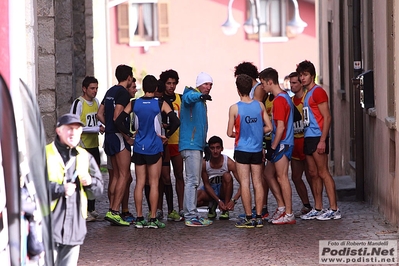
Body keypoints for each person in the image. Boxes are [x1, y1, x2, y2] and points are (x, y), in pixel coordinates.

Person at [115, 75, 180, 229]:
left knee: (139, 183)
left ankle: (139, 217)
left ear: (143, 87)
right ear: (156, 88)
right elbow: (176, 121)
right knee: (154, 183)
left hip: (138, 147)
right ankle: (152, 218)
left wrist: (130, 134)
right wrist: (167, 135)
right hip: (154, 147)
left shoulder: (134, 103)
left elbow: (118, 120)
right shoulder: (160, 103)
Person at [47, 113, 103, 266]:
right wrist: (60, 189)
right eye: (69, 129)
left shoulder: (85, 156)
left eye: (77, 129)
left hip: (74, 229)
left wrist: (90, 183)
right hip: (48, 228)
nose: (73, 133)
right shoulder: (44, 154)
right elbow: (32, 187)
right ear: (59, 130)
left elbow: (98, 192)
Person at [296, 60, 341, 220]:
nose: (302, 78)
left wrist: (323, 139)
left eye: (305, 75)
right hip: (308, 136)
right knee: (313, 173)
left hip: (317, 136)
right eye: (301, 75)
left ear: (312, 76)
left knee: (323, 172)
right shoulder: (307, 93)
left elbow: (327, 117)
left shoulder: (318, 92)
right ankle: (318, 207)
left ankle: (334, 208)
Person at [227, 74, 272, 228]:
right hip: (257, 149)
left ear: (238, 89)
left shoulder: (234, 108)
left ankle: (248, 217)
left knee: (245, 183)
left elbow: (229, 132)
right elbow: (270, 127)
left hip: (242, 149)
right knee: (258, 183)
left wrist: (241, 133)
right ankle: (259, 217)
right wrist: (257, 131)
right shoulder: (259, 105)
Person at [96, 64, 135, 226]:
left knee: (116, 175)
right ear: (128, 78)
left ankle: (112, 209)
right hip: (119, 136)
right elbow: (117, 116)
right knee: (124, 175)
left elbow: (99, 114)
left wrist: (110, 127)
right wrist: (127, 136)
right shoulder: (123, 94)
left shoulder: (110, 91)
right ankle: (114, 211)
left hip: (109, 137)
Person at [259, 67, 295, 225]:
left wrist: (273, 147)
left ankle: (289, 213)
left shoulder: (280, 100)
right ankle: (281, 206)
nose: (262, 87)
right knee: (268, 174)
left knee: (282, 177)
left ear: (270, 82)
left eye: (262, 84)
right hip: (282, 142)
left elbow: (280, 127)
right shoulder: (285, 97)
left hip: (282, 143)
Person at [179, 72, 214, 227]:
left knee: (194, 180)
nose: (209, 87)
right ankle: (190, 215)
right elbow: (187, 98)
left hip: (196, 145)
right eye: (206, 84)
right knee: (192, 180)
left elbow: (200, 126)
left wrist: (205, 144)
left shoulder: (201, 101)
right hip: (190, 145)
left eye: (210, 84)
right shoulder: (193, 95)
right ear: (199, 84)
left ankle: (191, 214)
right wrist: (199, 97)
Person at [70, 76, 104, 222]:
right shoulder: (79, 103)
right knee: (82, 178)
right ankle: (82, 210)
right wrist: (96, 128)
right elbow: (75, 125)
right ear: (84, 89)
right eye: (92, 88)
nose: (95, 91)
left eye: (96, 88)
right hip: (82, 146)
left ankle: (91, 208)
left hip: (94, 145)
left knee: (93, 178)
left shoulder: (96, 102)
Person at [159, 69, 185, 221]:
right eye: (169, 83)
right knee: (164, 178)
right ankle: (162, 208)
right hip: (163, 142)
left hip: (177, 141)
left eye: (174, 83)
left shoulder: (180, 98)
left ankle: (181, 208)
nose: (171, 86)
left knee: (179, 175)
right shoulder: (159, 99)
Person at [197, 136, 240, 220]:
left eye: (218, 148)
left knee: (227, 176)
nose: (215, 151)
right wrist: (218, 201)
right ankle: (211, 204)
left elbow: (243, 184)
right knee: (195, 199)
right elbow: (206, 185)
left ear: (222, 148)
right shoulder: (204, 163)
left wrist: (233, 200)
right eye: (212, 148)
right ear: (209, 149)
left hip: (223, 189)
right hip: (210, 190)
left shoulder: (229, 162)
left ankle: (225, 208)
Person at [288, 71, 314, 216]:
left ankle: (318, 204)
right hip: (295, 142)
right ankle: (306, 204)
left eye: (294, 83)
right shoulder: (290, 101)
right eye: (290, 83)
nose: (291, 86)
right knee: (296, 177)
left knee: (311, 174)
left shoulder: (307, 98)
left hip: (306, 140)